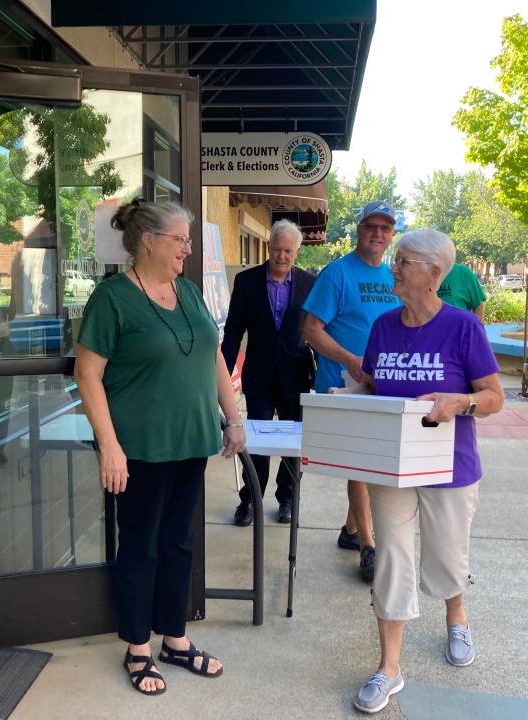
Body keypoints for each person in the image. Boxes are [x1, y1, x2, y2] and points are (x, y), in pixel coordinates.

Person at [75, 199, 246, 696]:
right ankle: (138, 647)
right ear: (148, 241)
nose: (188, 250)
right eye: (180, 240)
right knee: (141, 547)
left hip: (191, 441)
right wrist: (109, 446)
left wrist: (233, 417)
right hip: (141, 449)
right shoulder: (112, 298)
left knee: (178, 544)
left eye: (189, 241)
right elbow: (88, 375)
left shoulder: (188, 291)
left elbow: (214, 354)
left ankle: (175, 638)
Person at [336, 228, 504, 714]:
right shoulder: (384, 326)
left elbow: (494, 397)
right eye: (397, 259)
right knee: (392, 559)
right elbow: (372, 386)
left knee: (447, 559)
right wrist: (341, 402)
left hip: (450, 467)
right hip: (392, 467)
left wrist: (462, 401)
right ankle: (389, 668)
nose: (394, 266)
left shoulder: (462, 328)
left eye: (404, 260)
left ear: (433, 273)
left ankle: (456, 616)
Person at [302, 199, 401, 582]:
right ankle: (369, 547)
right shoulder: (337, 274)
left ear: (392, 235)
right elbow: (310, 330)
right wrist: (349, 360)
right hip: (344, 385)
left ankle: (351, 530)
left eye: (385, 228)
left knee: (371, 460)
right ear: (358, 230)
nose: (377, 234)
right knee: (363, 464)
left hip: (384, 384)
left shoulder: (395, 276)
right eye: (370, 227)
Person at [221, 219, 316, 526]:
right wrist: (220, 372)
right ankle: (250, 500)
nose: (282, 256)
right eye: (277, 249)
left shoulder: (309, 284)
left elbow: (317, 331)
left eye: (288, 251)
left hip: (296, 374)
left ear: (297, 251)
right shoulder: (247, 282)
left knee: (292, 442)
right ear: (269, 247)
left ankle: (287, 498)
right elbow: (234, 331)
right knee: (256, 442)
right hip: (259, 375)